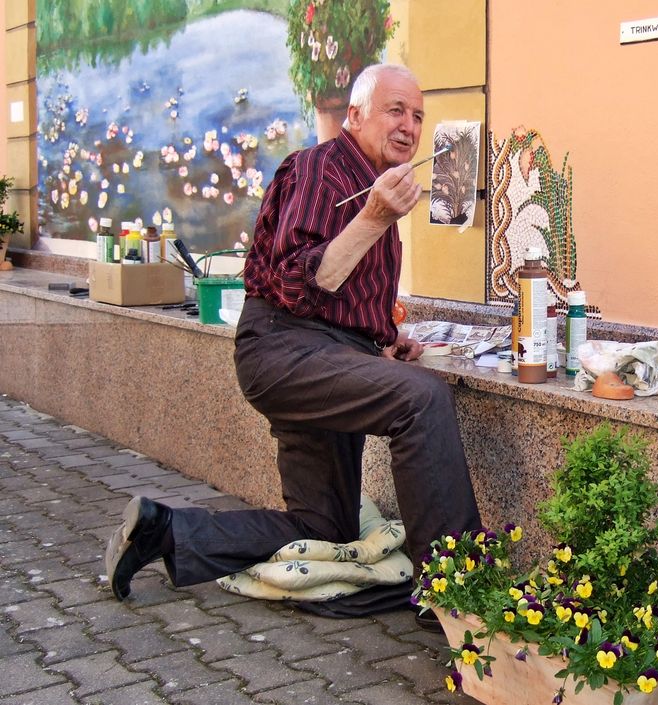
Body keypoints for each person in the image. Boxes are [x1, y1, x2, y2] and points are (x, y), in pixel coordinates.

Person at [105, 64, 482, 625]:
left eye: (418, 116)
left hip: (326, 354)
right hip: (284, 352)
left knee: (322, 530)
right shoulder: (320, 167)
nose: (409, 126)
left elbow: (344, 298)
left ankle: (166, 532)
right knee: (421, 400)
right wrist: (375, 215)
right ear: (354, 116)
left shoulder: (373, 181)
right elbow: (300, 281)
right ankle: (459, 593)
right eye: (395, 110)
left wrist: (384, 342)